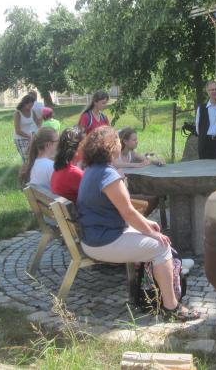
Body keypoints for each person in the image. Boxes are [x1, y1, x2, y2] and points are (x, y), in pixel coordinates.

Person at [77, 126, 199, 321]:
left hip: (93, 238)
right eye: (117, 141)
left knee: (154, 238)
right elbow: (128, 212)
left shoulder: (91, 171)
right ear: (112, 147)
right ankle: (171, 307)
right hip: (104, 242)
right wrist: (151, 233)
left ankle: (153, 295)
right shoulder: (108, 176)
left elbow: (124, 213)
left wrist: (147, 224)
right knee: (161, 247)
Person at [51, 127, 85, 203]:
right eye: (85, 144)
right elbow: (95, 196)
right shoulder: (74, 173)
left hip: (64, 212)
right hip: (79, 213)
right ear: (77, 148)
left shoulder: (59, 168)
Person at [14, 94, 39, 163]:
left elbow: (38, 123)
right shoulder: (18, 113)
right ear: (25, 103)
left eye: (32, 105)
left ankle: (31, 172)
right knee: (26, 159)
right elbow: (17, 131)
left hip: (31, 138)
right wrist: (29, 136)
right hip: (20, 139)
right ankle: (25, 172)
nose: (31, 107)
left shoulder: (32, 111)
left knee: (33, 157)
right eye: (29, 105)